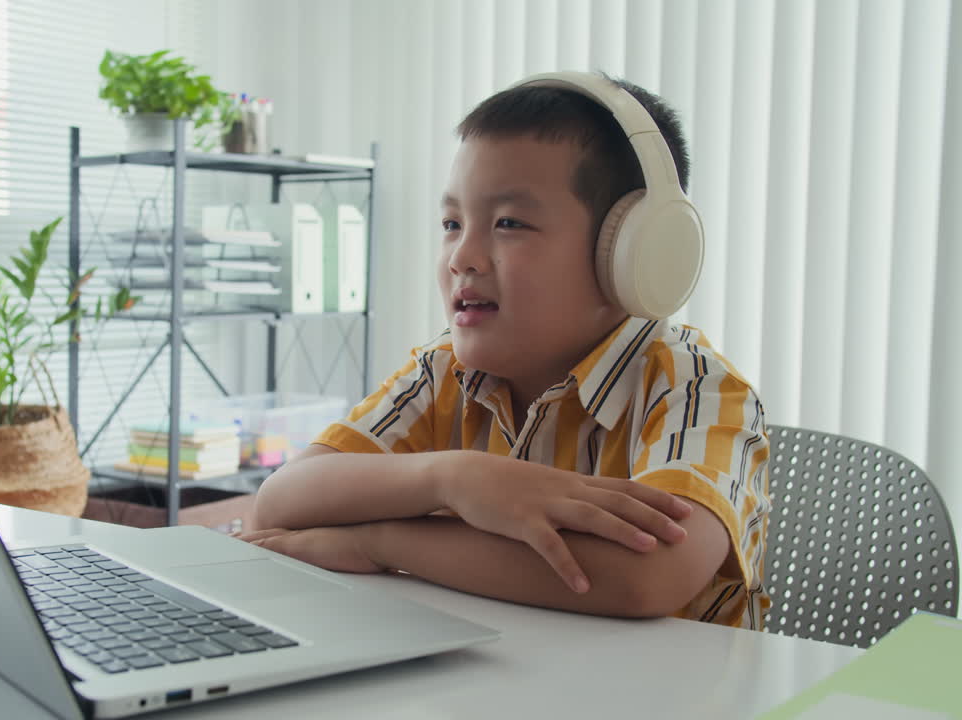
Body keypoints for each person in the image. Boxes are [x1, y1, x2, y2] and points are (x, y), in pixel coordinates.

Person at [243, 72, 770, 629]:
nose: (461, 257)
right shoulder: (442, 372)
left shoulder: (697, 390)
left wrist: (378, 542)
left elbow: (649, 575)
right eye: (452, 223)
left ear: (630, 251)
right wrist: (453, 479)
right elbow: (279, 503)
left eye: (509, 223)